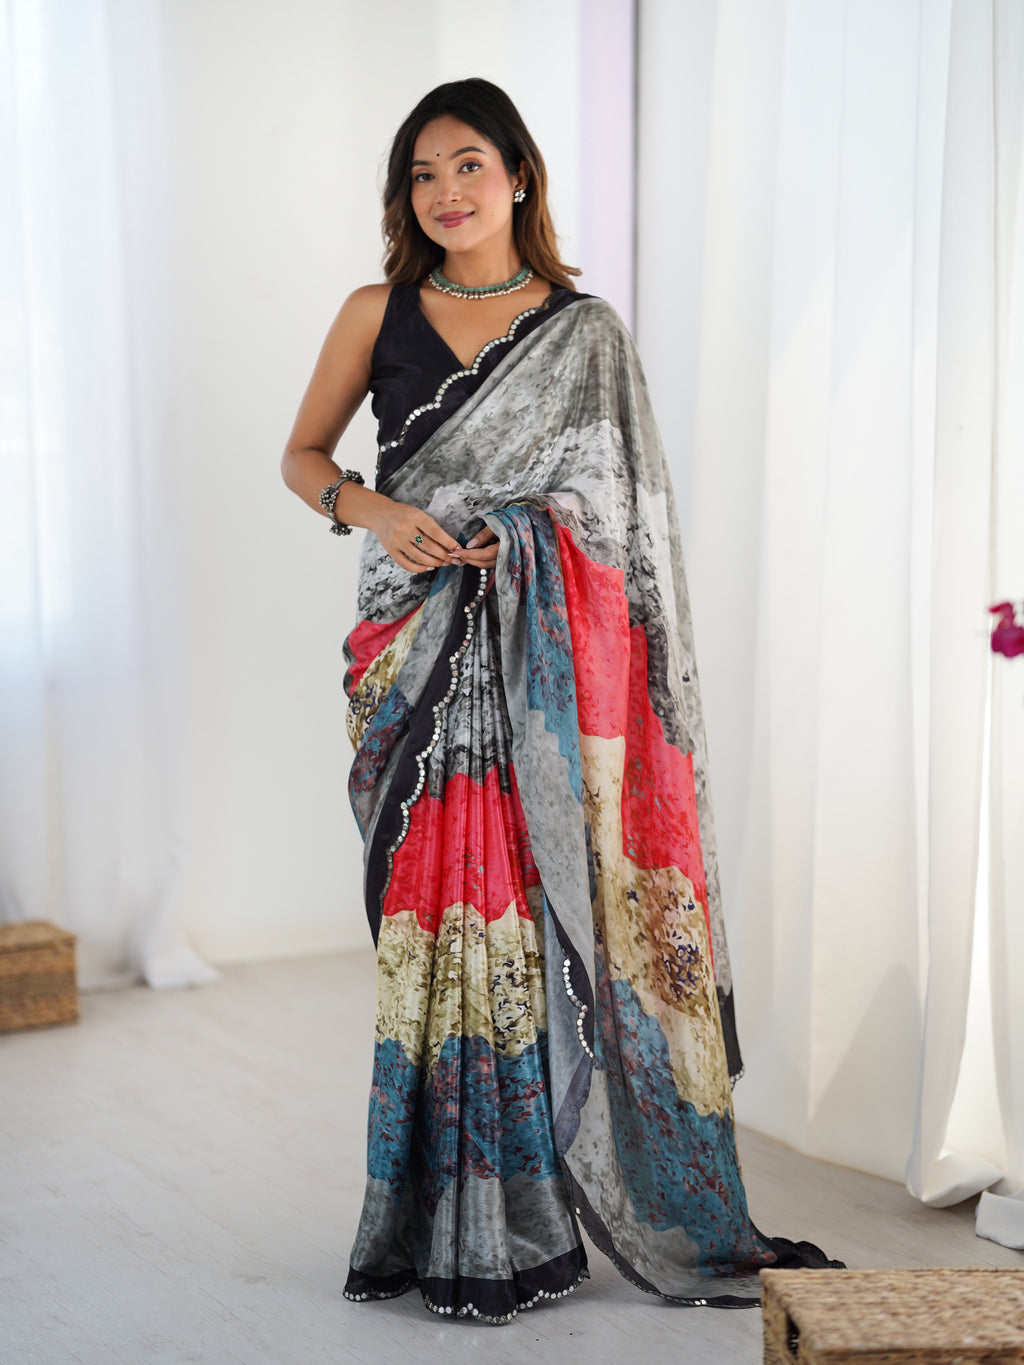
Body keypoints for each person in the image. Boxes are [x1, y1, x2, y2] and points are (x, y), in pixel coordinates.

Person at [282, 77, 841, 1326]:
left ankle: (527, 1212)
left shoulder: (584, 335)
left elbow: (622, 526)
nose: (446, 193)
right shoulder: (375, 311)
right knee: (441, 940)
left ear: (521, 176)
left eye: (468, 165)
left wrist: (522, 538)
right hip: (410, 656)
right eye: (422, 175)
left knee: (527, 942)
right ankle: (438, 1211)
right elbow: (304, 456)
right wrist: (376, 512)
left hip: (544, 678)